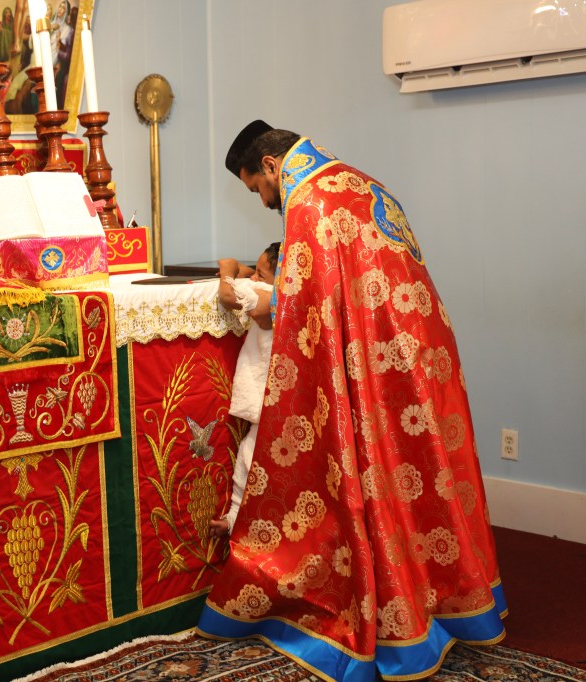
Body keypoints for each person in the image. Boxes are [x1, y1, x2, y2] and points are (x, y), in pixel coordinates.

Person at [197, 121, 506, 681]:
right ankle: (450, 600)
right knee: (423, 476)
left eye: (258, 189)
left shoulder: (310, 201)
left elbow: (305, 311)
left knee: (374, 478)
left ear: (270, 166)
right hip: (422, 350)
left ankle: (391, 610)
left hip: (376, 360)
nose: (265, 201)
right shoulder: (359, 183)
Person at [208, 243, 279, 539]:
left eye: (261, 274)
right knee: (252, 457)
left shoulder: (269, 299)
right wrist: (254, 271)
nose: (253, 279)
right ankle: (236, 517)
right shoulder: (275, 289)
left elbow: (227, 296)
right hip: (276, 400)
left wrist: (228, 267)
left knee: (251, 458)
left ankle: (237, 517)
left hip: (268, 401)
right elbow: (249, 275)